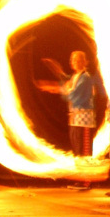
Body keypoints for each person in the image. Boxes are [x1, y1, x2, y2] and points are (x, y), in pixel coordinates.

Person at [37, 51, 98, 190]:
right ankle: (80, 178)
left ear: (85, 62)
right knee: (77, 149)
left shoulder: (86, 78)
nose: (75, 62)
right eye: (73, 59)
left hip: (84, 120)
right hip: (75, 118)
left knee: (84, 149)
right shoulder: (75, 77)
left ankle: (86, 181)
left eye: (78, 59)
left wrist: (54, 88)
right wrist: (56, 70)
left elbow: (74, 94)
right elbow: (67, 85)